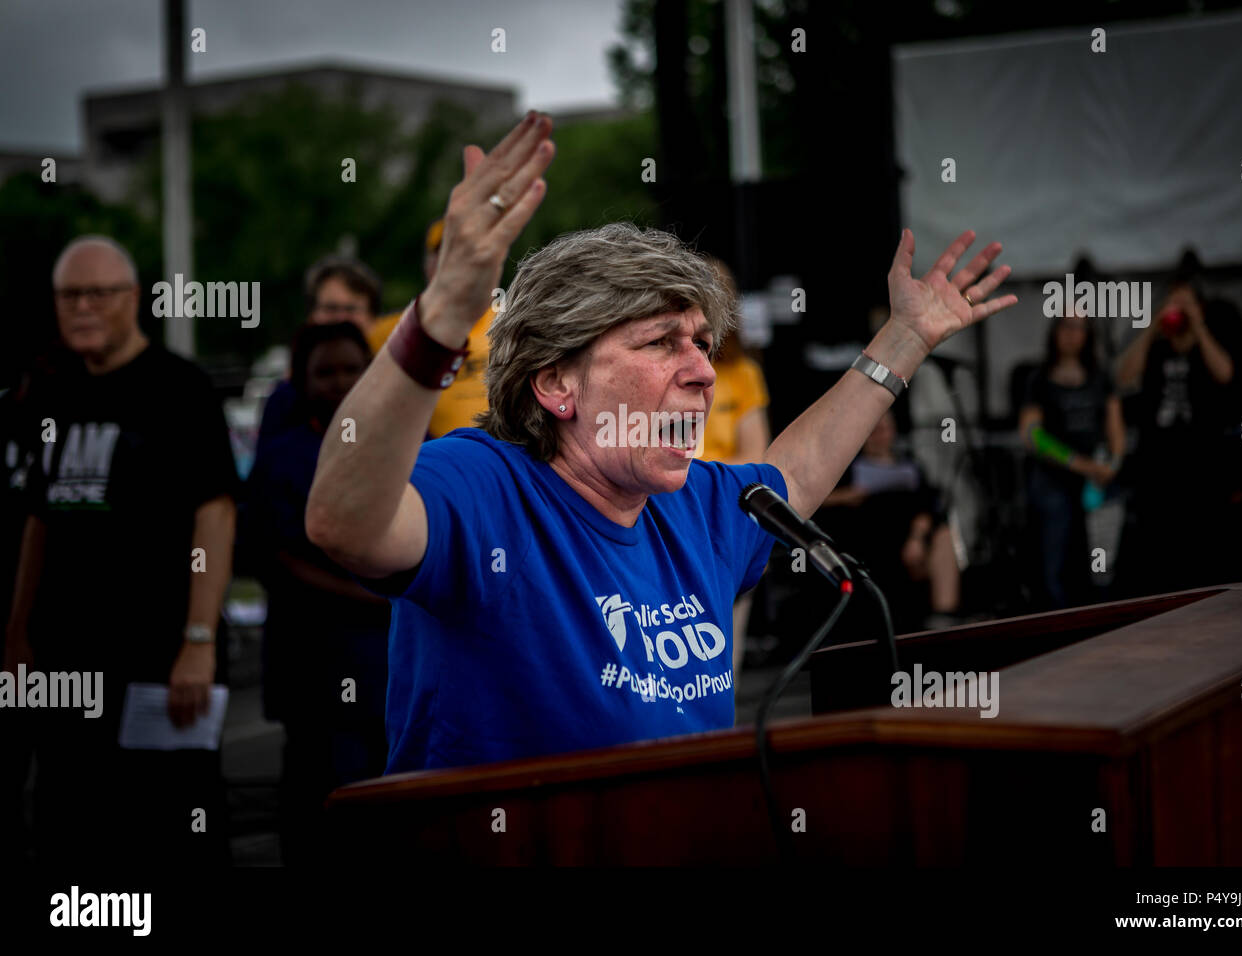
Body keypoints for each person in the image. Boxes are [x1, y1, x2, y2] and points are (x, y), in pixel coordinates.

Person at [304, 112, 1017, 773]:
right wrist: (441, 318)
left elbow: (794, 473)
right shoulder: (484, 485)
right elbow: (344, 522)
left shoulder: (696, 505)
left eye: (704, 345)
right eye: (661, 343)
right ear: (557, 384)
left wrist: (905, 338)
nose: (704, 371)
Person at [3, 236, 239, 864]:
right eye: (68, 295)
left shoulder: (177, 388)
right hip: (66, 664)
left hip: (155, 663)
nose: (81, 307)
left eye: (96, 293)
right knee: (72, 827)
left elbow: (214, 513)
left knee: (169, 829)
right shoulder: (51, 392)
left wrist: (197, 641)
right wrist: (17, 635)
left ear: (132, 299)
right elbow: (39, 521)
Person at [242, 322, 389, 864]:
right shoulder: (282, 457)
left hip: (386, 665)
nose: (339, 381)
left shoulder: (403, 443)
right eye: (324, 371)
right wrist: (371, 595)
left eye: (351, 368)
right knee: (319, 803)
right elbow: (269, 557)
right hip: (312, 664)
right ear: (300, 380)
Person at [1114, 280, 1234, 595]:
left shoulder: (1210, 342)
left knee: (1201, 554)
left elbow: (1225, 374)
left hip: (1201, 468)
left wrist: (1198, 327)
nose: (1178, 310)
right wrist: (1154, 326)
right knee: (1158, 556)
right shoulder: (1155, 345)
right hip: (1156, 469)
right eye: (1173, 303)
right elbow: (1124, 376)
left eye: (1185, 304)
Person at [696, 257, 771, 677]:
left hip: (724, 509)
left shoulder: (743, 373)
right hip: (668, 506)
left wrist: (700, 473)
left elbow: (755, 456)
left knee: (727, 641)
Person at [1018, 311, 1125, 608]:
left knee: (1101, 566)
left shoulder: (1100, 377)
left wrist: (1110, 465)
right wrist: (1079, 464)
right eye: (1065, 325)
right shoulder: (1038, 379)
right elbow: (1032, 436)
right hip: (1054, 480)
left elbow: (1117, 431)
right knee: (1055, 566)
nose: (1071, 333)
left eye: (1079, 327)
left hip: (1096, 483)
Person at [819, 408, 960, 632]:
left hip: (911, 538)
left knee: (943, 535)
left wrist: (916, 537)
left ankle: (943, 617)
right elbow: (815, 502)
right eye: (873, 430)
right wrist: (848, 496)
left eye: (884, 429)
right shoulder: (847, 468)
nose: (880, 435)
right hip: (869, 538)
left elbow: (929, 506)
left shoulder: (910, 466)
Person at [367, 218, 497, 438]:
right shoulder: (386, 332)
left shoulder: (513, 320)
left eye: (467, 252)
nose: (458, 262)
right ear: (428, 265)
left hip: (506, 461)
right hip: (426, 462)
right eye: (446, 253)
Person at [254, 255, 383, 459]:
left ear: (372, 318)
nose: (341, 318)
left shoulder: (397, 392)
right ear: (312, 315)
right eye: (331, 308)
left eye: (351, 309)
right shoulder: (284, 400)